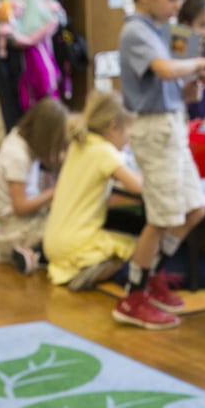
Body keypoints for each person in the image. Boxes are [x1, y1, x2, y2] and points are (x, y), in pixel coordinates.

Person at [115, 0, 205, 330]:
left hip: (172, 123)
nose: (177, 6)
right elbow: (163, 69)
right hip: (153, 131)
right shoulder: (135, 31)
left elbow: (172, 82)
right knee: (160, 218)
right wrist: (196, 64)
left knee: (194, 209)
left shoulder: (158, 29)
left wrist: (193, 86)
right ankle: (132, 296)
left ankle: (153, 274)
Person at [41, 90, 144, 303]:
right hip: (76, 243)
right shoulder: (104, 151)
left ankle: (81, 268)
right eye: (127, 133)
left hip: (52, 242)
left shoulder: (81, 143)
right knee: (138, 247)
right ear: (113, 127)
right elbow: (137, 188)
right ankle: (91, 272)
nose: (127, 141)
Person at [0, 97, 68, 274]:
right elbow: (20, 207)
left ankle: (33, 252)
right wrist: (53, 192)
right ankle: (33, 252)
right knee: (67, 232)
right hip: (18, 225)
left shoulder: (19, 137)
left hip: (26, 219)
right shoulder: (18, 157)